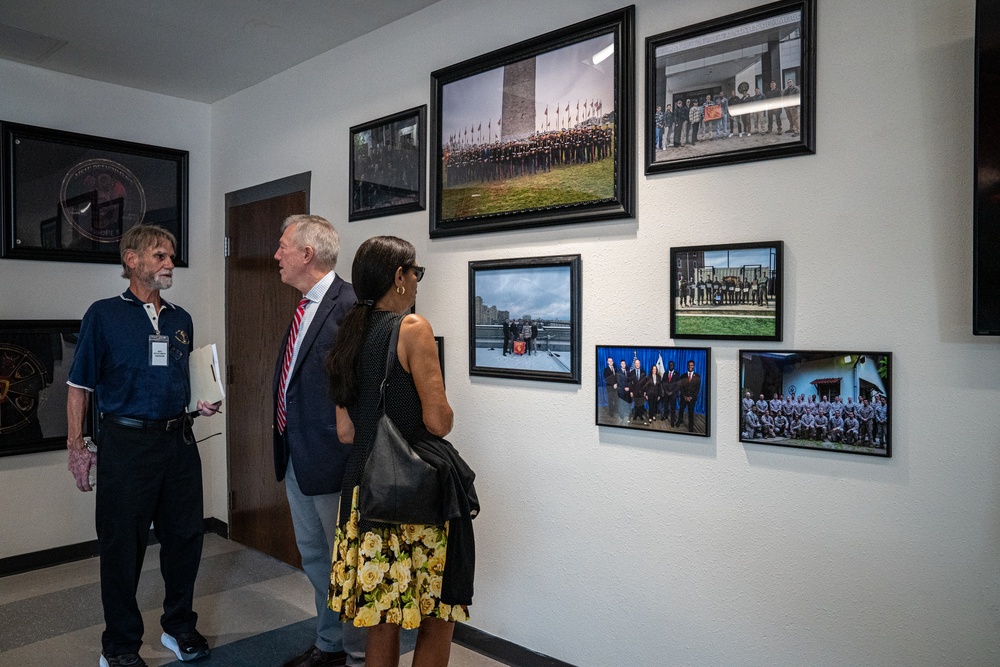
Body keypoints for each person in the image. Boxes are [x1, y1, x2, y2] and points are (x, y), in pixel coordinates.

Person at [66, 225, 221, 667]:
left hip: (178, 442)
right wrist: (77, 446)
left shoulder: (180, 319)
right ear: (131, 260)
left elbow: (182, 380)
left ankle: (179, 627)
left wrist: (199, 403)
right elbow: (78, 385)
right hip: (125, 445)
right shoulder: (104, 315)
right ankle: (119, 645)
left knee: (185, 538)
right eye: (160, 255)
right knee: (122, 546)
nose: (170, 263)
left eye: (171, 256)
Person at [326, 236, 470, 667]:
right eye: (416, 273)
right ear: (399, 278)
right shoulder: (412, 329)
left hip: (363, 494)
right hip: (414, 495)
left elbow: (346, 431)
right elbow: (438, 422)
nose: (418, 282)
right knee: (438, 613)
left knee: (381, 617)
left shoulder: (348, 336)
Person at [271, 215, 365, 667]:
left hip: (332, 458)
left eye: (283, 246)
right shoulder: (304, 305)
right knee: (314, 560)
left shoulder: (350, 306)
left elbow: (363, 388)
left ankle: (357, 655)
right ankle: (329, 646)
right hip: (294, 454)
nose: (277, 255)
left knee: (344, 563)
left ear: (307, 254)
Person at [677, 360, 700, 432]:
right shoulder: (683, 376)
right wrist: (685, 396)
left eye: (692, 365)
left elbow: (697, 389)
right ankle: (680, 420)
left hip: (692, 398)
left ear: (694, 366)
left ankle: (690, 426)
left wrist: (691, 397)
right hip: (684, 397)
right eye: (689, 365)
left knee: (691, 412)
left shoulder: (697, 376)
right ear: (687, 366)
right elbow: (680, 387)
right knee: (681, 410)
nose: (690, 366)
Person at [603, 357, 618, 421]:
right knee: (610, 400)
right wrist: (613, 384)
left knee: (616, 399)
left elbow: (617, 377)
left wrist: (616, 383)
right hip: (610, 387)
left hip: (616, 387)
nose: (611, 362)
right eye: (609, 361)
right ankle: (611, 413)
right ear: (607, 362)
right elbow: (607, 379)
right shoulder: (606, 370)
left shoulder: (615, 368)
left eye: (611, 361)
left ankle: (615, 410)